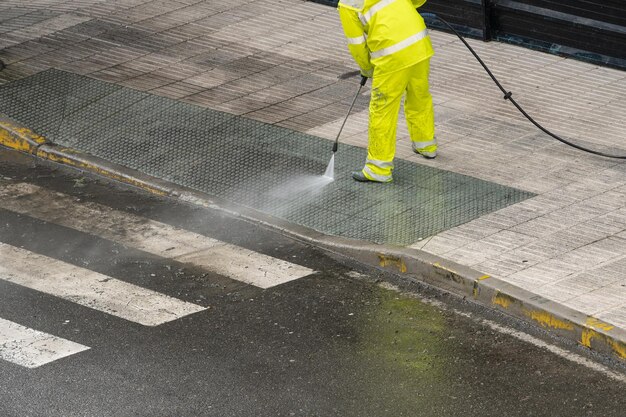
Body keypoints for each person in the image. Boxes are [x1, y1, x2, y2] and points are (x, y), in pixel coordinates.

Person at [337, 0, 436, 183]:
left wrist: (366, 68)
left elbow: (357, 44)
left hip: (391, 55)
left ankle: (378, 168)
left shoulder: (348, 4)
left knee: (382, 109)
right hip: (419, 43)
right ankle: (426, 145)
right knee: (419, 95)